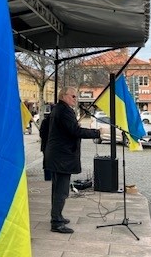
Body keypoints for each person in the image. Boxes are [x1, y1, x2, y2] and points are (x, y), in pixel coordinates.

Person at [45, 86, 101, 234]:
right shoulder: (63, 111)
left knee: (58, 189)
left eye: (76, 97)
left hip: (58, 156)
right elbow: (75, 131)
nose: (75, 99)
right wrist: (96, 133)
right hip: (61, 157)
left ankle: (57, 216)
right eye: (73, 96)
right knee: (61, 191)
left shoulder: (60, 109)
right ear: (63, 96)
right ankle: (56, 222)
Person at [39, 111, 53, 181]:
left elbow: (41, 133)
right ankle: (51, 177)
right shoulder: (54, 122)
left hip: (46, 145)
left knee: (47, 162)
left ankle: (47, 177)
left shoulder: (45, 122)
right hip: (52, 145)